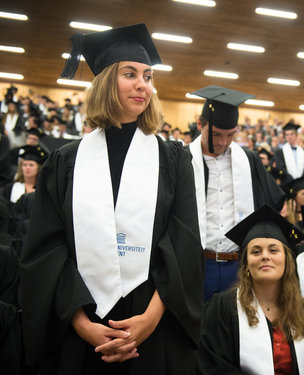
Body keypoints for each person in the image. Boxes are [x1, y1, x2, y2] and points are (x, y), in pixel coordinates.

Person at [19, 24, 204, 374]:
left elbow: (184, 245)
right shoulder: (65, 162)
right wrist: (81, 323)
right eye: (130, 74)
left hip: (151, 324)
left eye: (148, 76)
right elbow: (47, 248)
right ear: (105, 82)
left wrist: (149, 320)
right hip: (80, 319)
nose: (142, 85)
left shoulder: (173, 161)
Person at [196, 205, 304, 374]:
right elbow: (213, 367)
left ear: (287, 261)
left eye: (273, 250)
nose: (265, 256)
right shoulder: (222, 309)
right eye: (255, 252)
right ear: (246, 264)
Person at [187, 85, 285, 301]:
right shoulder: (183, 160)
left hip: (237, 265)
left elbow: (276, 203)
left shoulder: (248, 160)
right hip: (196, 264)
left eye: (230, 135)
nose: (223, 142)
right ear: (200, 124)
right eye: (215, 134)